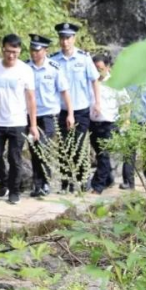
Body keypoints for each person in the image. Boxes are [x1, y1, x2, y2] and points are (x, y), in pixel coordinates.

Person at [0, 34, 38, 205]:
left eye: (14, 52)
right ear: (2, 49)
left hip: (18, 122)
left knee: (15, 158)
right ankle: (4, 180)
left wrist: (33, 125)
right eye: (8, 51)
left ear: (19, 51)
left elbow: (31, 99)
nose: (11, 55)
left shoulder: (25, 70)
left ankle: (14, 191)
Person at [50, 22, 100, 192]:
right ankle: (65, 182)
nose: (65, 42)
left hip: (81, 109)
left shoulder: (84, 58)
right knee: (64, 146)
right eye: (62, 38)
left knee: (79, 145)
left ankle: (81, 179)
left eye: (68, 38)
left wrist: (97, 102)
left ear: (74, 39)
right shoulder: (54, 61)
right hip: (61, 110)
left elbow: (94, 81)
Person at [27, 34, 73, 197]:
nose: (34, 53)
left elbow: (64, 92)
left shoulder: (54, 68)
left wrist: (70, 114)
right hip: (30, 115)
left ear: (45, 50)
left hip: (49, 115)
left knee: (43, 147)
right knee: (34, 148)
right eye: (32, 50)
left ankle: (45, 182)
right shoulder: (25, 68)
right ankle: (37, 184)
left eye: (37, 50)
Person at [89, 54, 130, 194]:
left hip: (109, 123)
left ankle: (97, 185)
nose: (98, 72)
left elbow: (125, 103)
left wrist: (125, 121)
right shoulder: (91, 81)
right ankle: (109, 179)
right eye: (95, 69)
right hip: (93, 123)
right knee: (99, 154)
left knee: (103, 154)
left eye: (100, 68)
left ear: (108, 67)